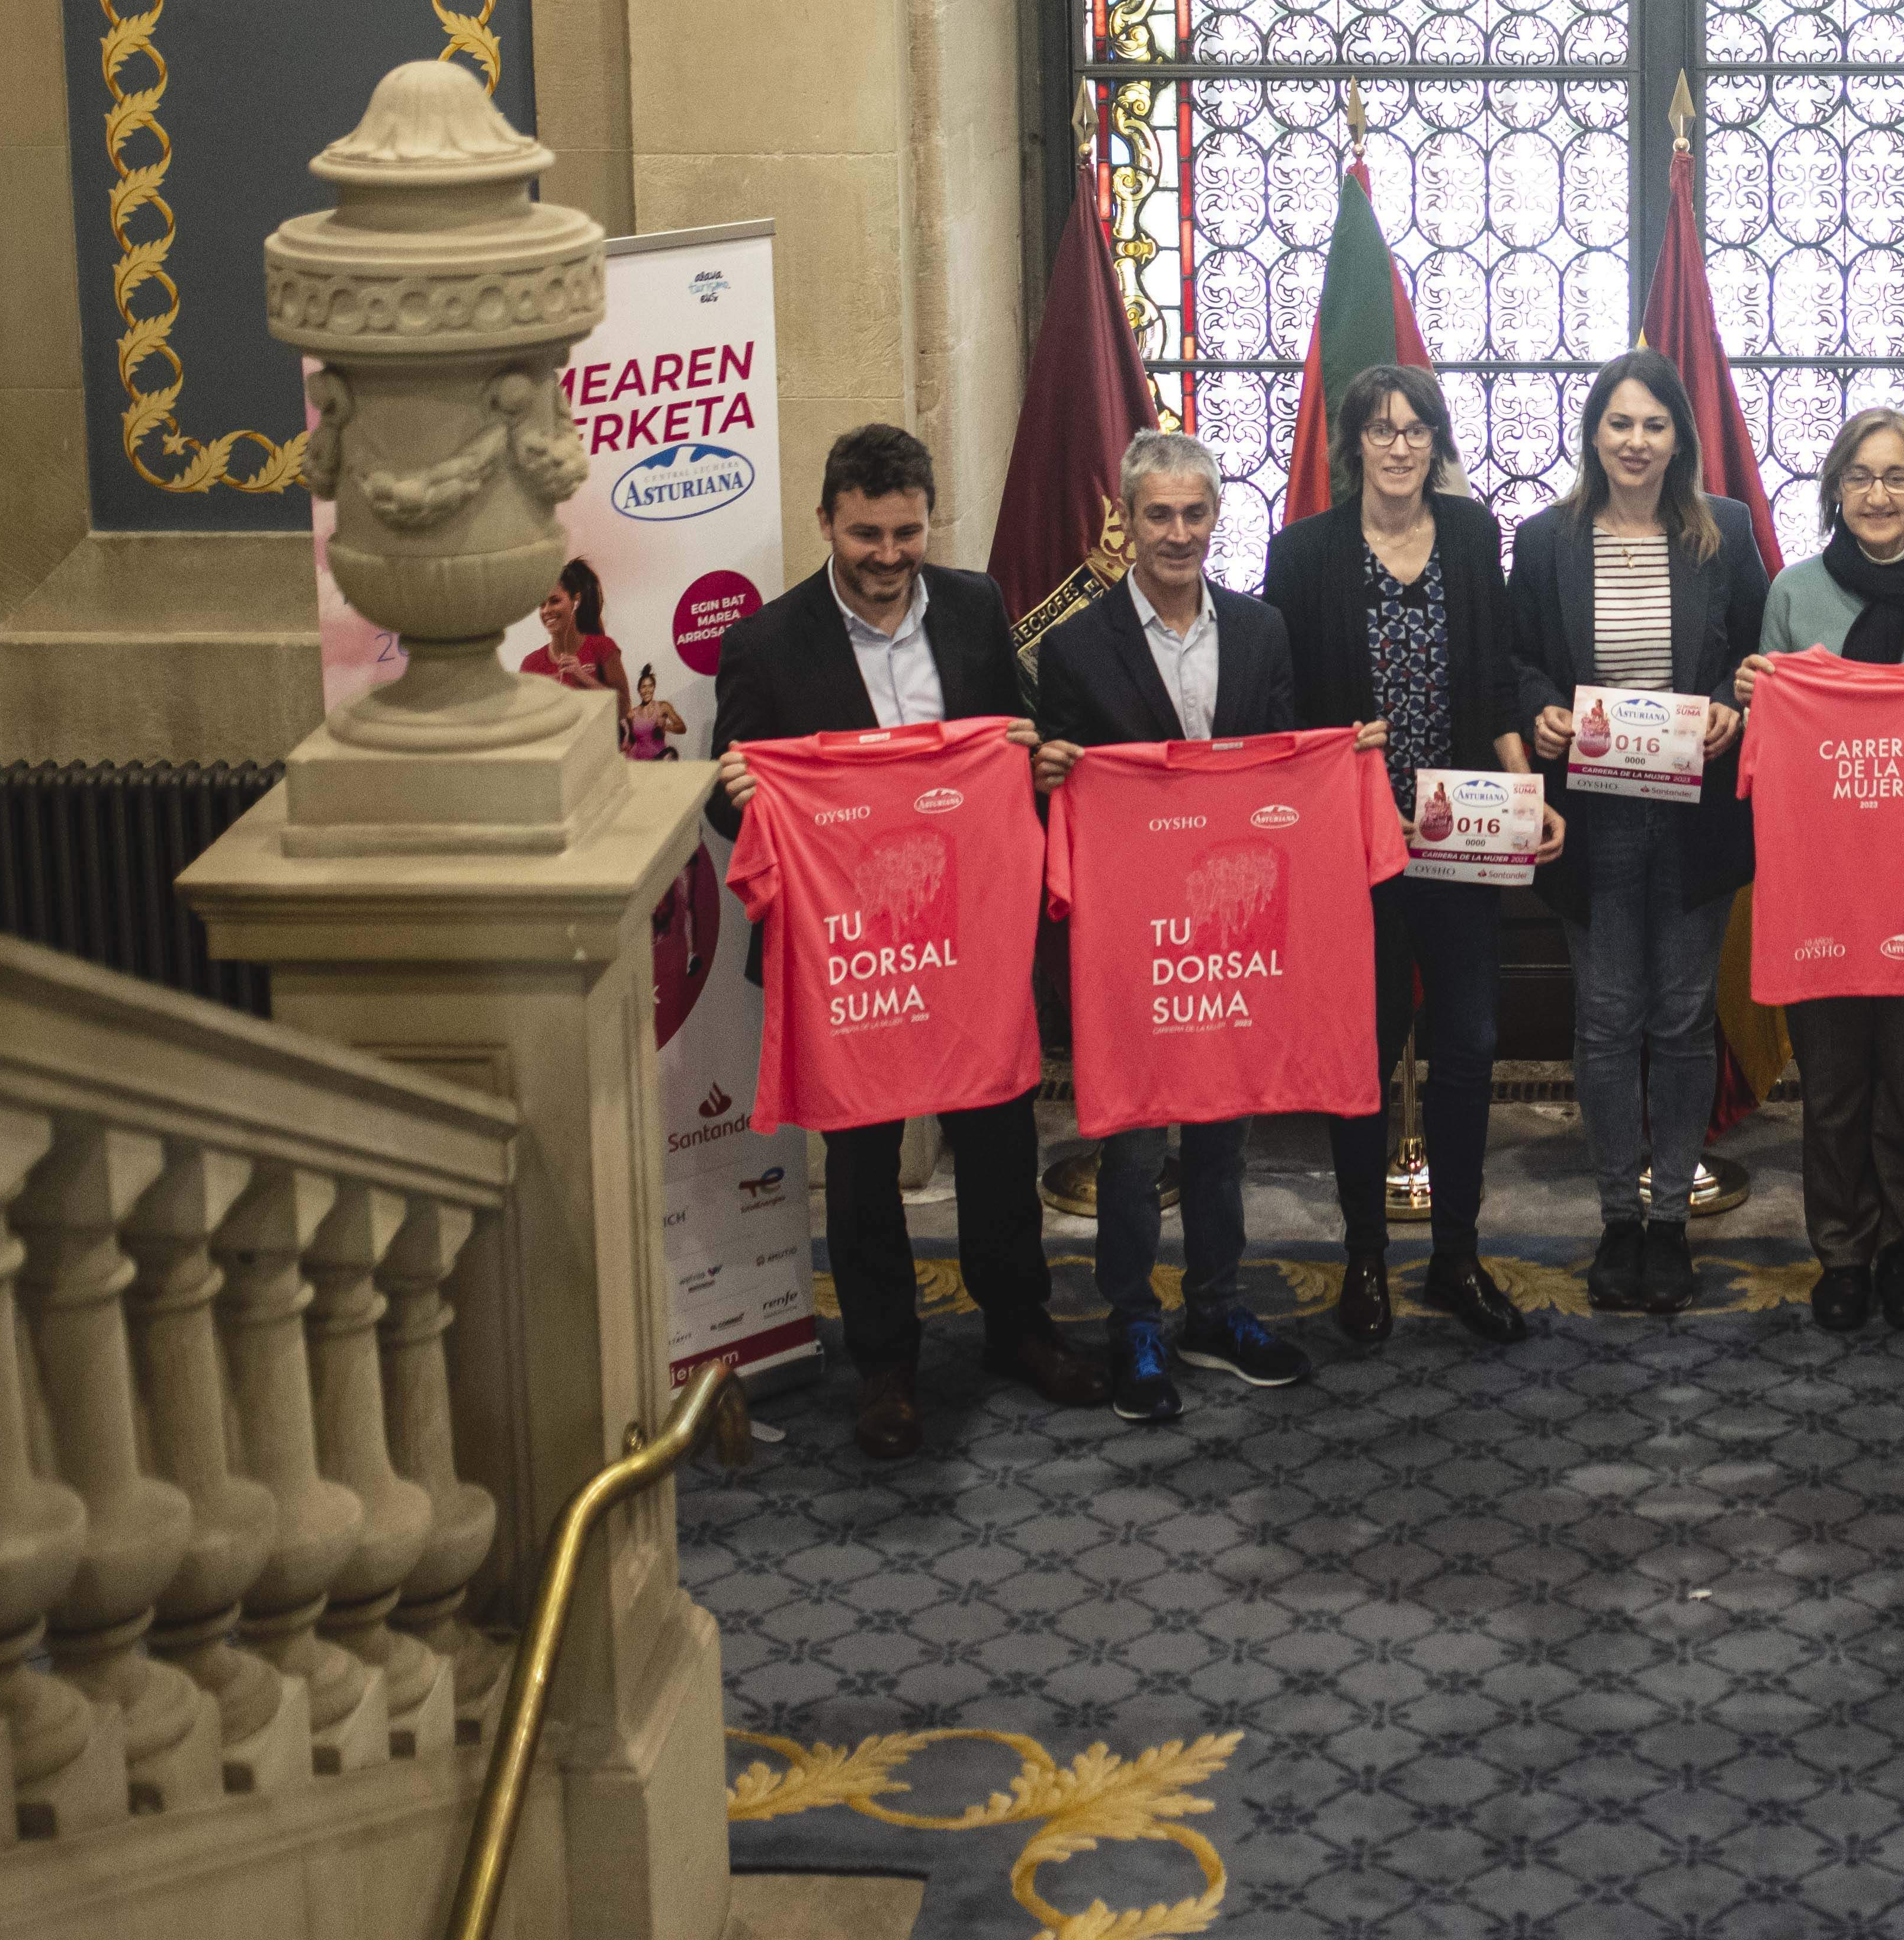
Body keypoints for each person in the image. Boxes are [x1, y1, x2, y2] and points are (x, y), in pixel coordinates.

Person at [702, 423, 1096, 1461]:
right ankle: (885, 1360)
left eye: (907, 531)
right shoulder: (766, 642)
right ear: (826, 520)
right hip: (847, 954)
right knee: (865, 1156)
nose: (888, 553)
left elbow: (1010, 742)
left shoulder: (974, 606)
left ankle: (1019, 1321)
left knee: (1003, 1132)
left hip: (966, 933)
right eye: (867, 532)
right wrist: (739, 791)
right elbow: (717, 795)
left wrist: (1036, 759)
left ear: (931, 520)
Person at [1029, 430, 1319, 1426]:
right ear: (1125, 521)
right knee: (1130, 1137)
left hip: (1231, 929)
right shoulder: (1072, 648)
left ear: (1216, 515)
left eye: (1196, 512)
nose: (1179, 533)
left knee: (1222, 1130)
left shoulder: (1263, 630)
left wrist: (1338, 761)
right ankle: (1132, 1318)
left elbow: (1282, 766)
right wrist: (1054, 775)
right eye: (1158, 513)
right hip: (1132, 937)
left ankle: (1216, 1307)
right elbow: (1056, 802)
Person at [1263, 364, 1542, 1351]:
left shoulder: (1472, 535)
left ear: (1437, 439)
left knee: (1468, 1043)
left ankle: (1457, 1253)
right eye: (1380, 429)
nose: (1400, 445)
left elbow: (1496, 678)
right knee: (1364, 1055)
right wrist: (1334, 750)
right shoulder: (1303, 553)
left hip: (1461, 832)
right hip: (1354, 843)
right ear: (1354, 445)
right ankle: (1367, 1255)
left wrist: (1526, 788)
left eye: (1417, 427)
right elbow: (1281, 699)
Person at [1511, 350, 1771, 1316]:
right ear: (1593, 433)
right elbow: (1520, 656)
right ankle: (1618, 1215)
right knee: (1607, 1015)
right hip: (1594, 813)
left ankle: (1672, 1218)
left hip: (1694, 808)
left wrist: (1726, 705)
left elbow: (1757, 650)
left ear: (1679, 437)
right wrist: (1538, 709)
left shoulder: (1726, 532)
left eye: (1653, 423)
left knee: (1684, 1013)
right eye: (1618, 422)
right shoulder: (1545, 540)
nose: (1634, 440)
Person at [1736, 406, 1904, 1335]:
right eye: (1860, 477)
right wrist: (1755, 693)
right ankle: (1840, 1252)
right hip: (1822, 875)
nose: (1878, 496)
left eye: (1895, 478)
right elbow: (1767, 717)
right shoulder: (1794, 592)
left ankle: (1901, 1249)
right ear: (1835, 492)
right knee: (1835, 1073)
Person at [522, 560, 628, 699]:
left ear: (576, 602)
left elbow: (625, 709)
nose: (546, 610)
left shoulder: (604, 647)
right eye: (542, 605)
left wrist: (584, 678)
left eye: (555, 601)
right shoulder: (531, 664)